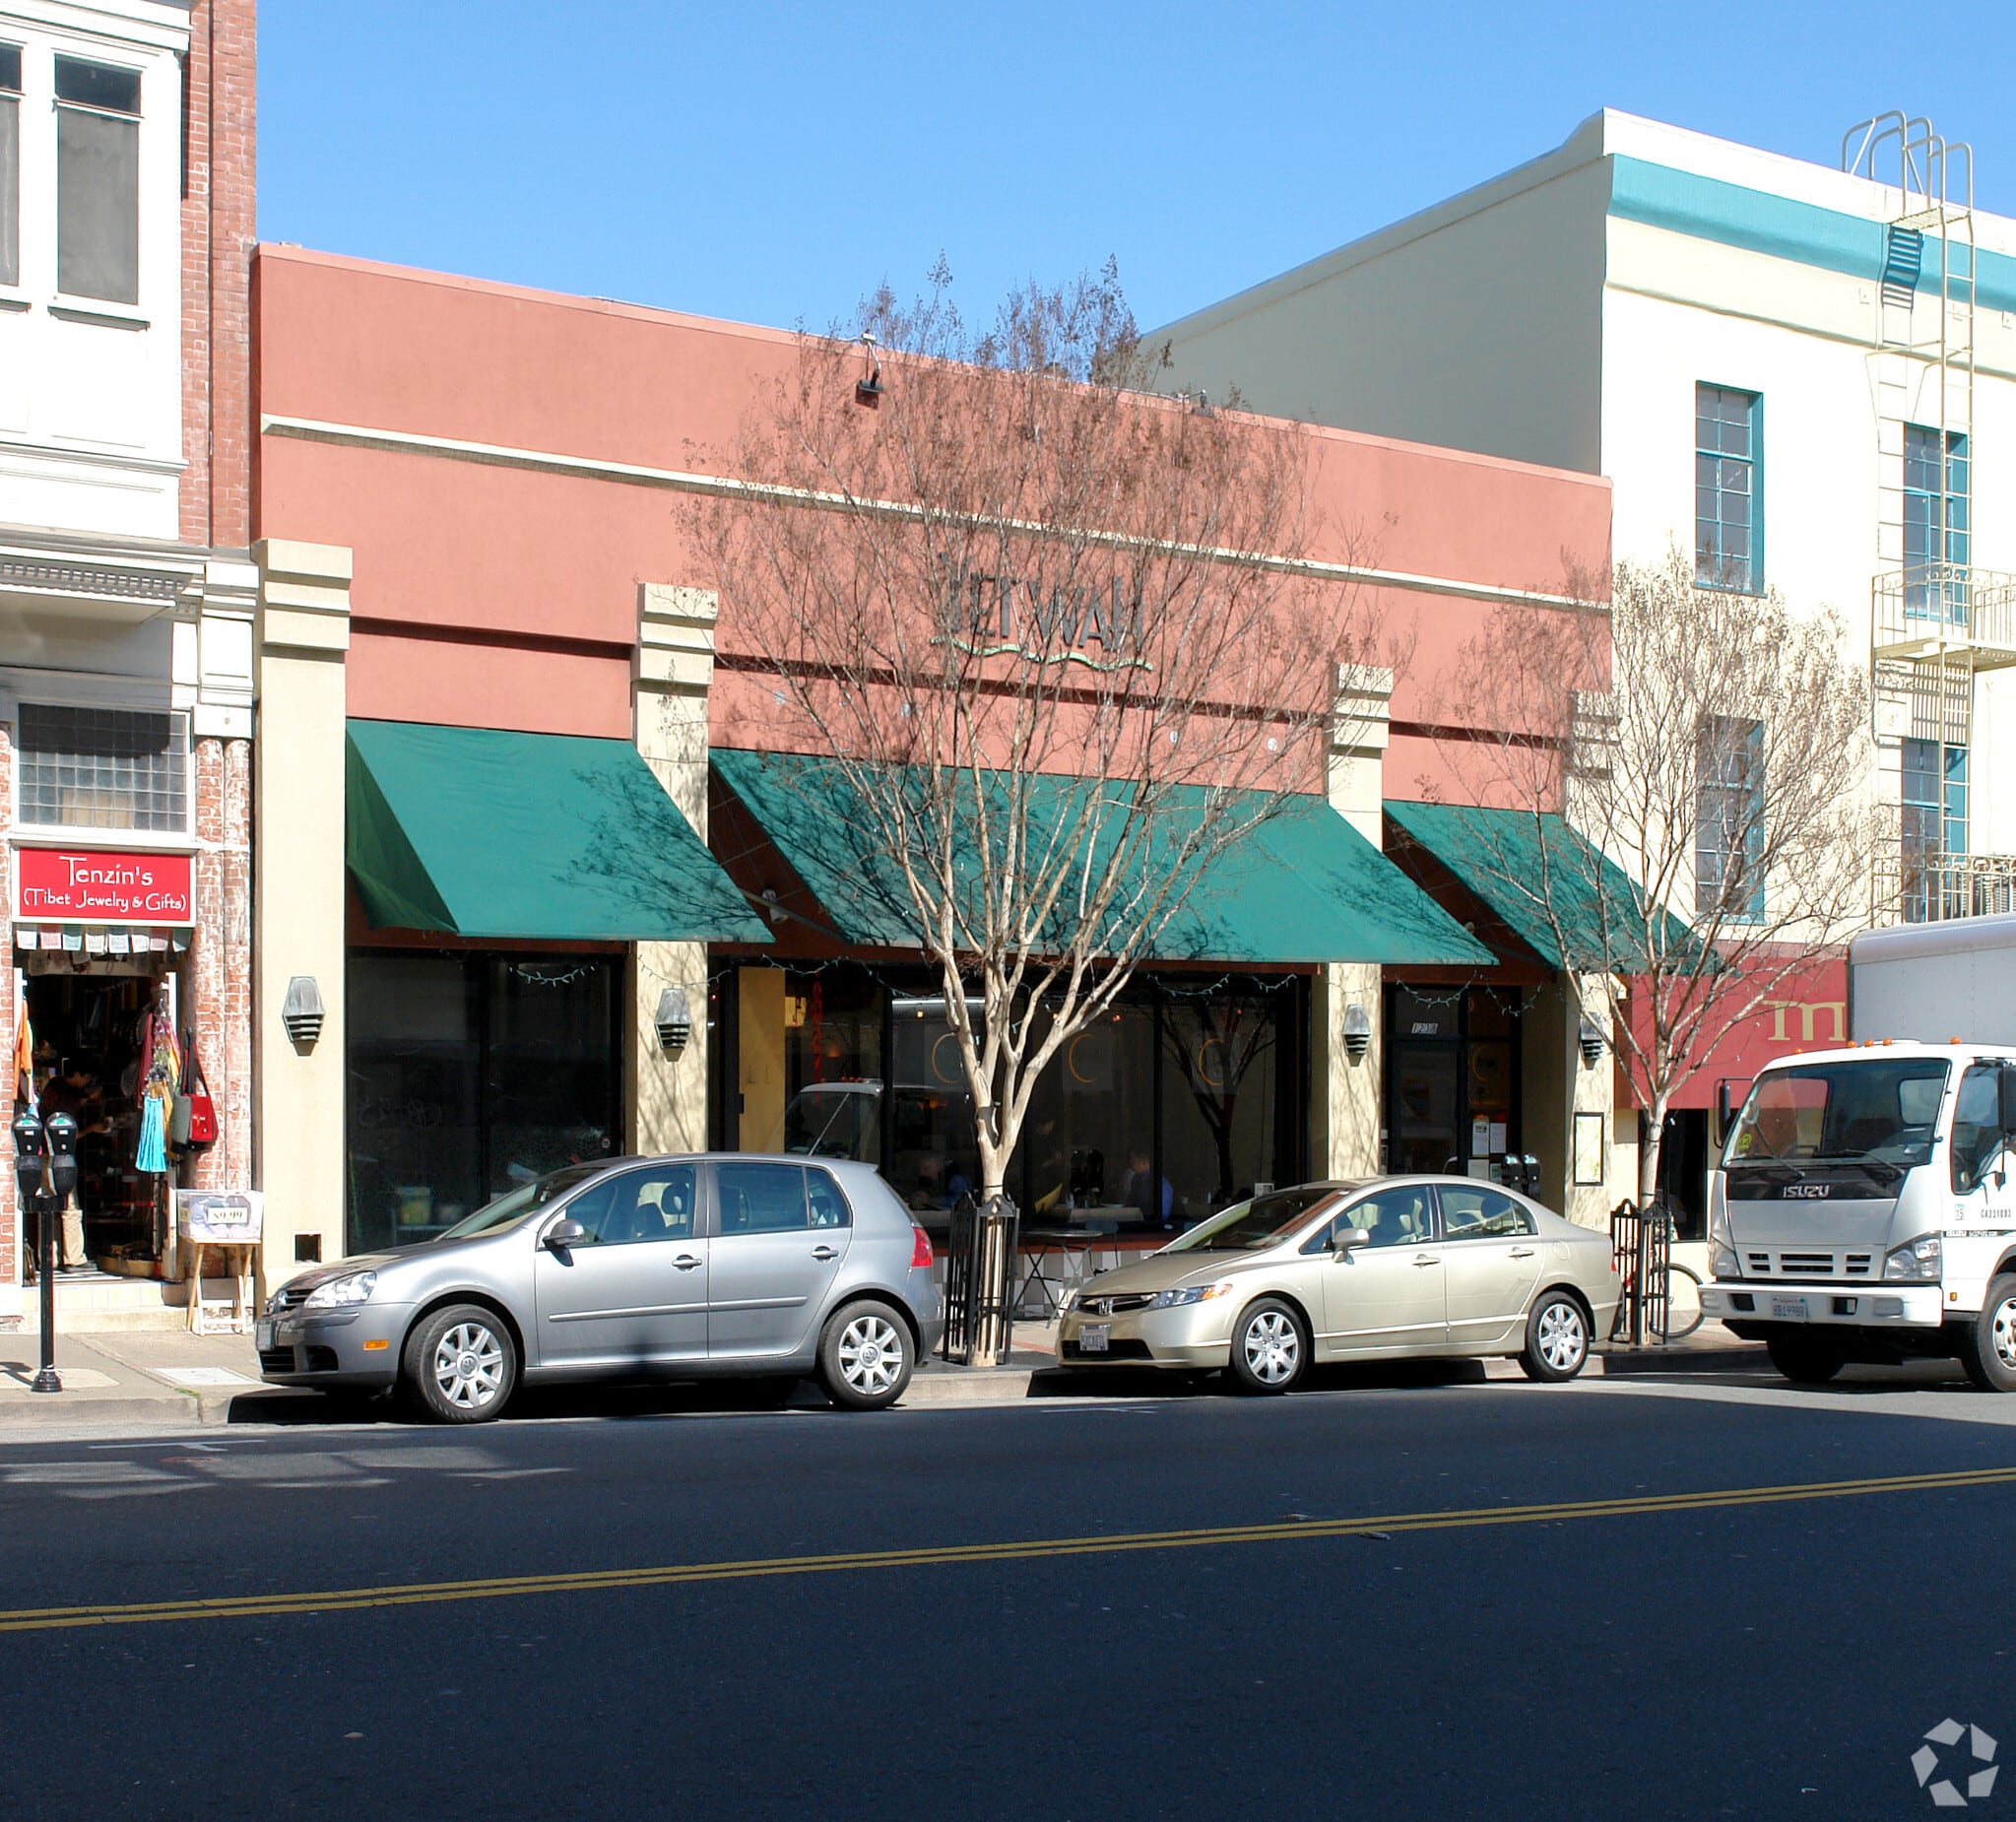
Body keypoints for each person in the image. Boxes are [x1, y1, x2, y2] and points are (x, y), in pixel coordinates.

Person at [37, 1061, 109, 1272]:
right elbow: (70, 1135)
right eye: (86, 1078)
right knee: (70, 1207)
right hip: (59, 1158)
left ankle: (49, 1257)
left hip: (42, 1154)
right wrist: (93, 1128)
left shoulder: (56, 1085)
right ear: (78, 1074)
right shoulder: (68, 1102)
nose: (87, 1082)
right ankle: (74, 1258)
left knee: (48, 1206)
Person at [1122, 1148, 1174, 1229]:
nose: (1130, 1163)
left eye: (1133, 1161)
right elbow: (1131, 1204)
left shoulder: (1159, 1183)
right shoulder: (1136, 1180)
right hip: (1134, 1225)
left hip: (1152, 1229)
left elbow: (1163, 1215)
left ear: (1144, 1162)